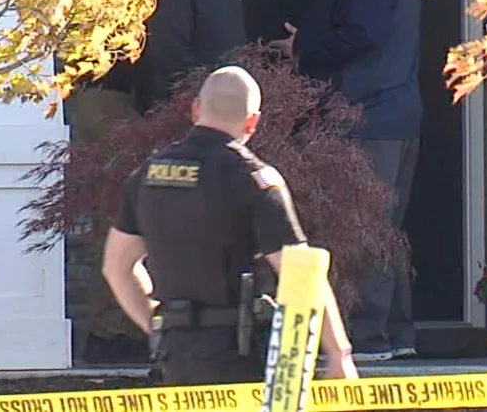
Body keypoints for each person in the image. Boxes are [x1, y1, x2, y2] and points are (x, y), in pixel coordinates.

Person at [102, 66, 358, 385]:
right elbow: (301, 273)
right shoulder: (252, 178)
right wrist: (338, 354)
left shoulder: (147, 175)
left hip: (173, 356)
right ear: (253, 121)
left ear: (196, 108)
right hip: (236, 356)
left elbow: (116, 268)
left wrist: (158, 327)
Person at [271, 0, 422, 362]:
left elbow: (363, 33)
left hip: (369, 114)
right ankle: (398, 333)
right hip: (393, 112)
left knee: (364, 227)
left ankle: (369, 336)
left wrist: (303, 48)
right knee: (386, 230)